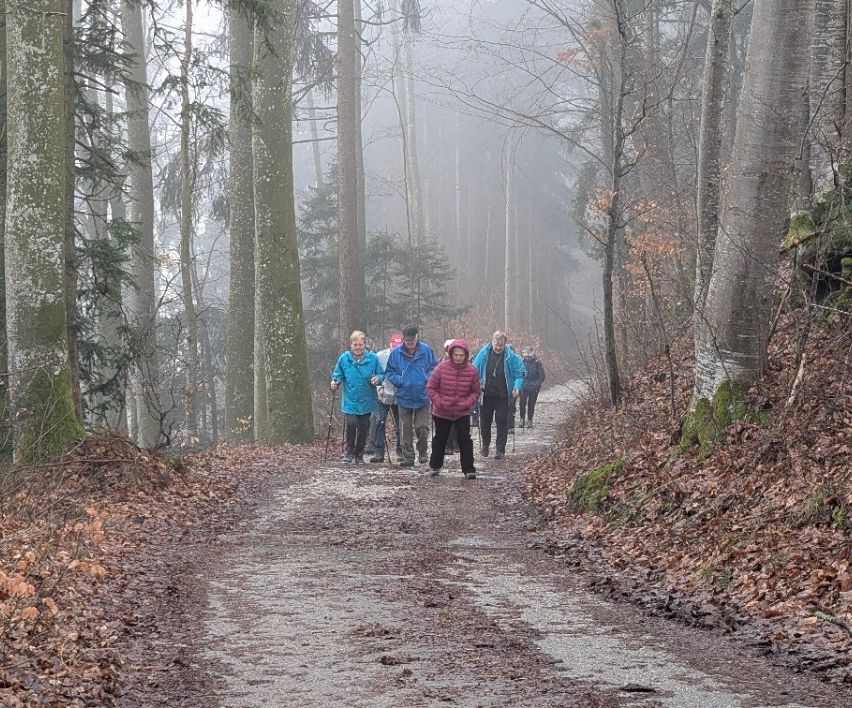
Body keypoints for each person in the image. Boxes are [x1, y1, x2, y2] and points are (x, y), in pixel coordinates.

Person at [426, 339, 480, 479]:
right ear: (451, 354)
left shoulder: (472, 370)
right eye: (456, 355)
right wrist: (439, 402)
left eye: (461, 355)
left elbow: (475, 391)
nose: (458, 358)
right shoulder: (441, 367)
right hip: (442, 410)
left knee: (464, 439)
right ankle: (435, 466)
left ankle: (469, 469)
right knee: (440, 438)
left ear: (466, 355)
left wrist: (467, 403)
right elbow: (431, 387)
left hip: (462, 411)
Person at [384, 324, 438, 467]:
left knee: (422, 427)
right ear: (404, 340)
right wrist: (399, 380)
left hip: (422, 395)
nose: (410, 343)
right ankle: (408, 456)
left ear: (416, 337)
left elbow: (435, 368)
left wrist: (427, 379)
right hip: (404, 396)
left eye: (412, 340)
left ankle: (423, 452)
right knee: (404, 428)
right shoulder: (396, 353)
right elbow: (389, 372)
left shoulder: (426, 350)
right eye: (407, 341)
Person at [331, 330, 384, 465]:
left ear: (365, 345)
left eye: (360, 344)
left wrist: (377, 379)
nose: (358, 347)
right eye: (355, 345)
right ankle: (349, 451)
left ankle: (359, 453)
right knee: (351, 424)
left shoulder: (373, 358)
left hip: (367, 398)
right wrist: (335, 381)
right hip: (350, 398)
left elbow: (381, 374)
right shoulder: (344, 358)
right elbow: (338, 374)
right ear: (351, 345)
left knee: (363, 427)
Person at [472, 331, 525, 460]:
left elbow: (519, 375)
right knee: (485, 422)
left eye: (501, 345)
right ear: (492, 342)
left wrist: (517, 387)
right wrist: (477, 383)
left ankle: (500, 449)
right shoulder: (484, 354)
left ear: (504, 344)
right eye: (496, 345)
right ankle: (485, 445)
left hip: (503, 395)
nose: (498, 348)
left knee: (502, 420)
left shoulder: (512, 357)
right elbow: (474, 370)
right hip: (486, 394)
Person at [368, 332, 405, 463]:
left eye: (399, 345)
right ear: (390, 344)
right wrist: (377, 385)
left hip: (400, 395)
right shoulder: (380, 356)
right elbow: (375, 373)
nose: (397, 348)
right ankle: (379, 453)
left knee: (401, 424)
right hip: (382, 394)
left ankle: (401, 452)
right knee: (379, 421)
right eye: (394, 345)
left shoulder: (407, 356)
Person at [519, 347, 545, 428]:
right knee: (522, 403)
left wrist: (536, 385)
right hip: (524, 386)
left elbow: (542, 376)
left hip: (534, 387)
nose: (528, 358)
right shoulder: (521, 362)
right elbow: (518, 374)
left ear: (532, 355)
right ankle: (522, 419)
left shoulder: (537, 363)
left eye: (529, 356)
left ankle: (530, 420)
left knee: (531, 404)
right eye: (526, 356)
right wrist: (520, 383)